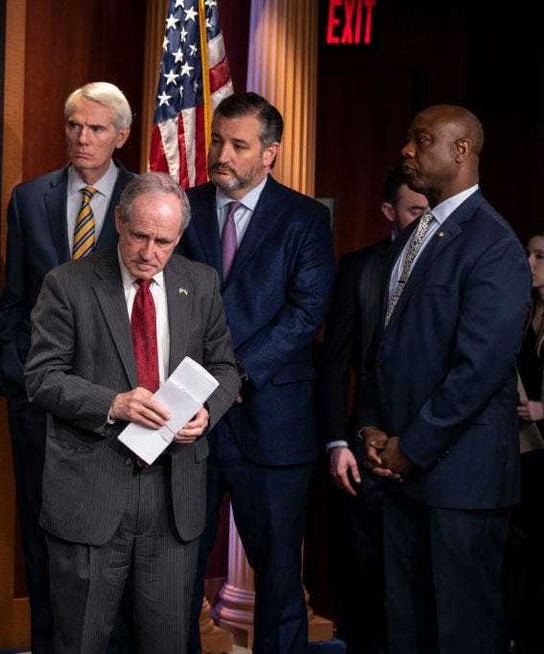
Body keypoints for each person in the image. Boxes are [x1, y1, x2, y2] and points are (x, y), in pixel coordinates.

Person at [23, 172, 240, 653]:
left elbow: (225, 366)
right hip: (91, 495)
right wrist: (113, 403)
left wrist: (206, 410)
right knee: (81, 641)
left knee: (166, 642)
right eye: (140, 235)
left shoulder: (199, 284)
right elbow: (41, 378)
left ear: (179, 237)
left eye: (163, 241)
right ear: (119, 222)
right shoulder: (68, 284)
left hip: (172, 500)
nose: (149, 252)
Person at [359, 105, 529, 653]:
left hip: (460, 483)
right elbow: (390, 346)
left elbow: (479, 370)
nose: (406, 150)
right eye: (409, 138)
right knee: (405, 629)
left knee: (461, 634)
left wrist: (414, 445)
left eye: (422, 139)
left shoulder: (494, 245)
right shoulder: (418, 233)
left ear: (461, 151)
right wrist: (373, 426)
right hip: (402, 473)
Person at [179, 92, 335, 654]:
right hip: (186, 424)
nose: (221, 154)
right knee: (177, 577)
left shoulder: (306, 219)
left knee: (277, 582)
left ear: (269, 153)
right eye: (218, 140)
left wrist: (232, 378)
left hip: (271, 424)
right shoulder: (183, 206)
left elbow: (305, 313)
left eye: (238, 145)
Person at [0, 81, 134, 652]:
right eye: (75, 126)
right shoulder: (30, 198)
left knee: (115, 544)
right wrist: (19, 380)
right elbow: (14, 300)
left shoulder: (146, 198)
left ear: (121, 137)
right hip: (40, 401)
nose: (82, 138)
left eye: (97, 129)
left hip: (118, 409)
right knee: (43, 541)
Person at [319, 168, 427, 653]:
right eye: (414, 212)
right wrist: (337, 440)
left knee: (417, 587)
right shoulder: (358, 268)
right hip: (361, 454)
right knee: (363, 579)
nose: (425, 223)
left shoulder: (451, 267)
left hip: (428, 452)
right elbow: (335, 361)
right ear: (389, 213)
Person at [508, 229, 544, 653]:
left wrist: (542, 409)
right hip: (521, 450)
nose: (530, 263)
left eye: (539, 256)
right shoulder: (523, 310)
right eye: (528, 254)